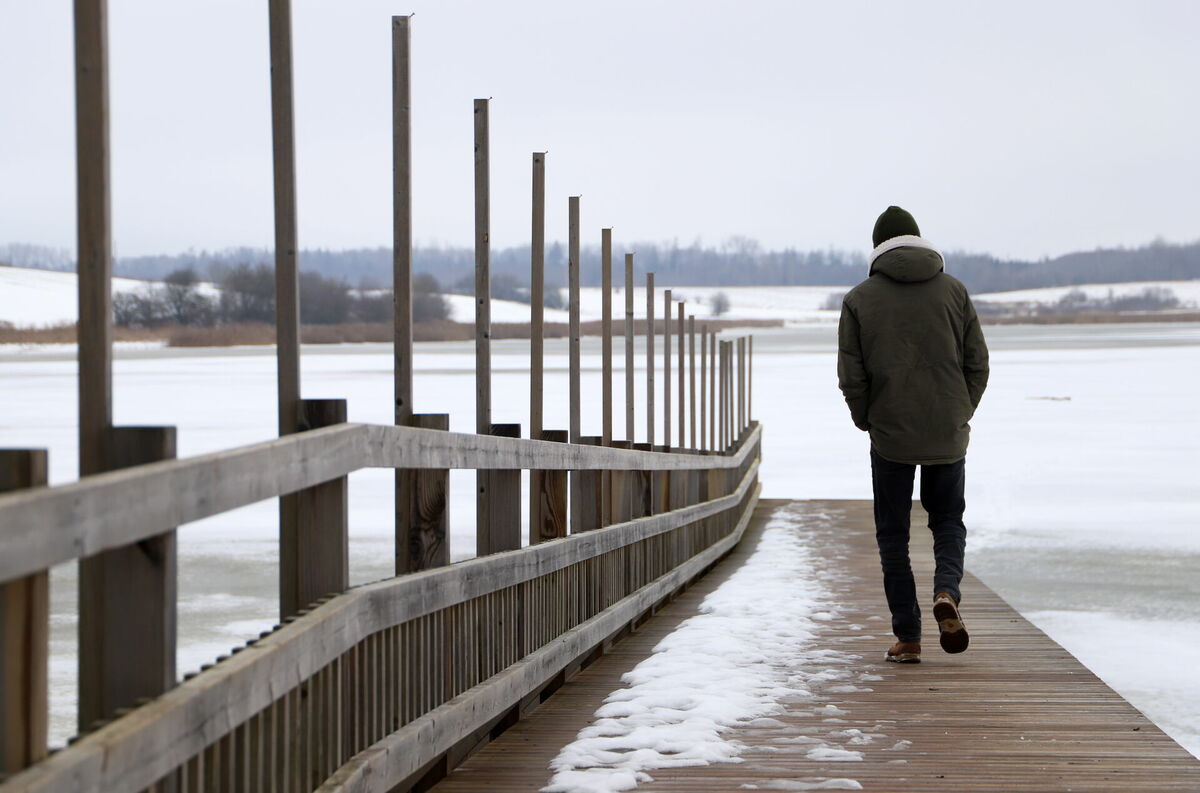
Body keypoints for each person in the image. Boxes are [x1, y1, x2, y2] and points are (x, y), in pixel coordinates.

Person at [837, 206, 989, 664]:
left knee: (893, 535)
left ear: (878, 248)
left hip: (890, 436)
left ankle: (908, 637)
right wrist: (959, 411)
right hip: (946, 430)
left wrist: (868, 419)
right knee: (946, 521)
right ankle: (946, 591)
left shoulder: (859, 299)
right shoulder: (954, 291)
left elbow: (852, 375)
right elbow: (977, 363)